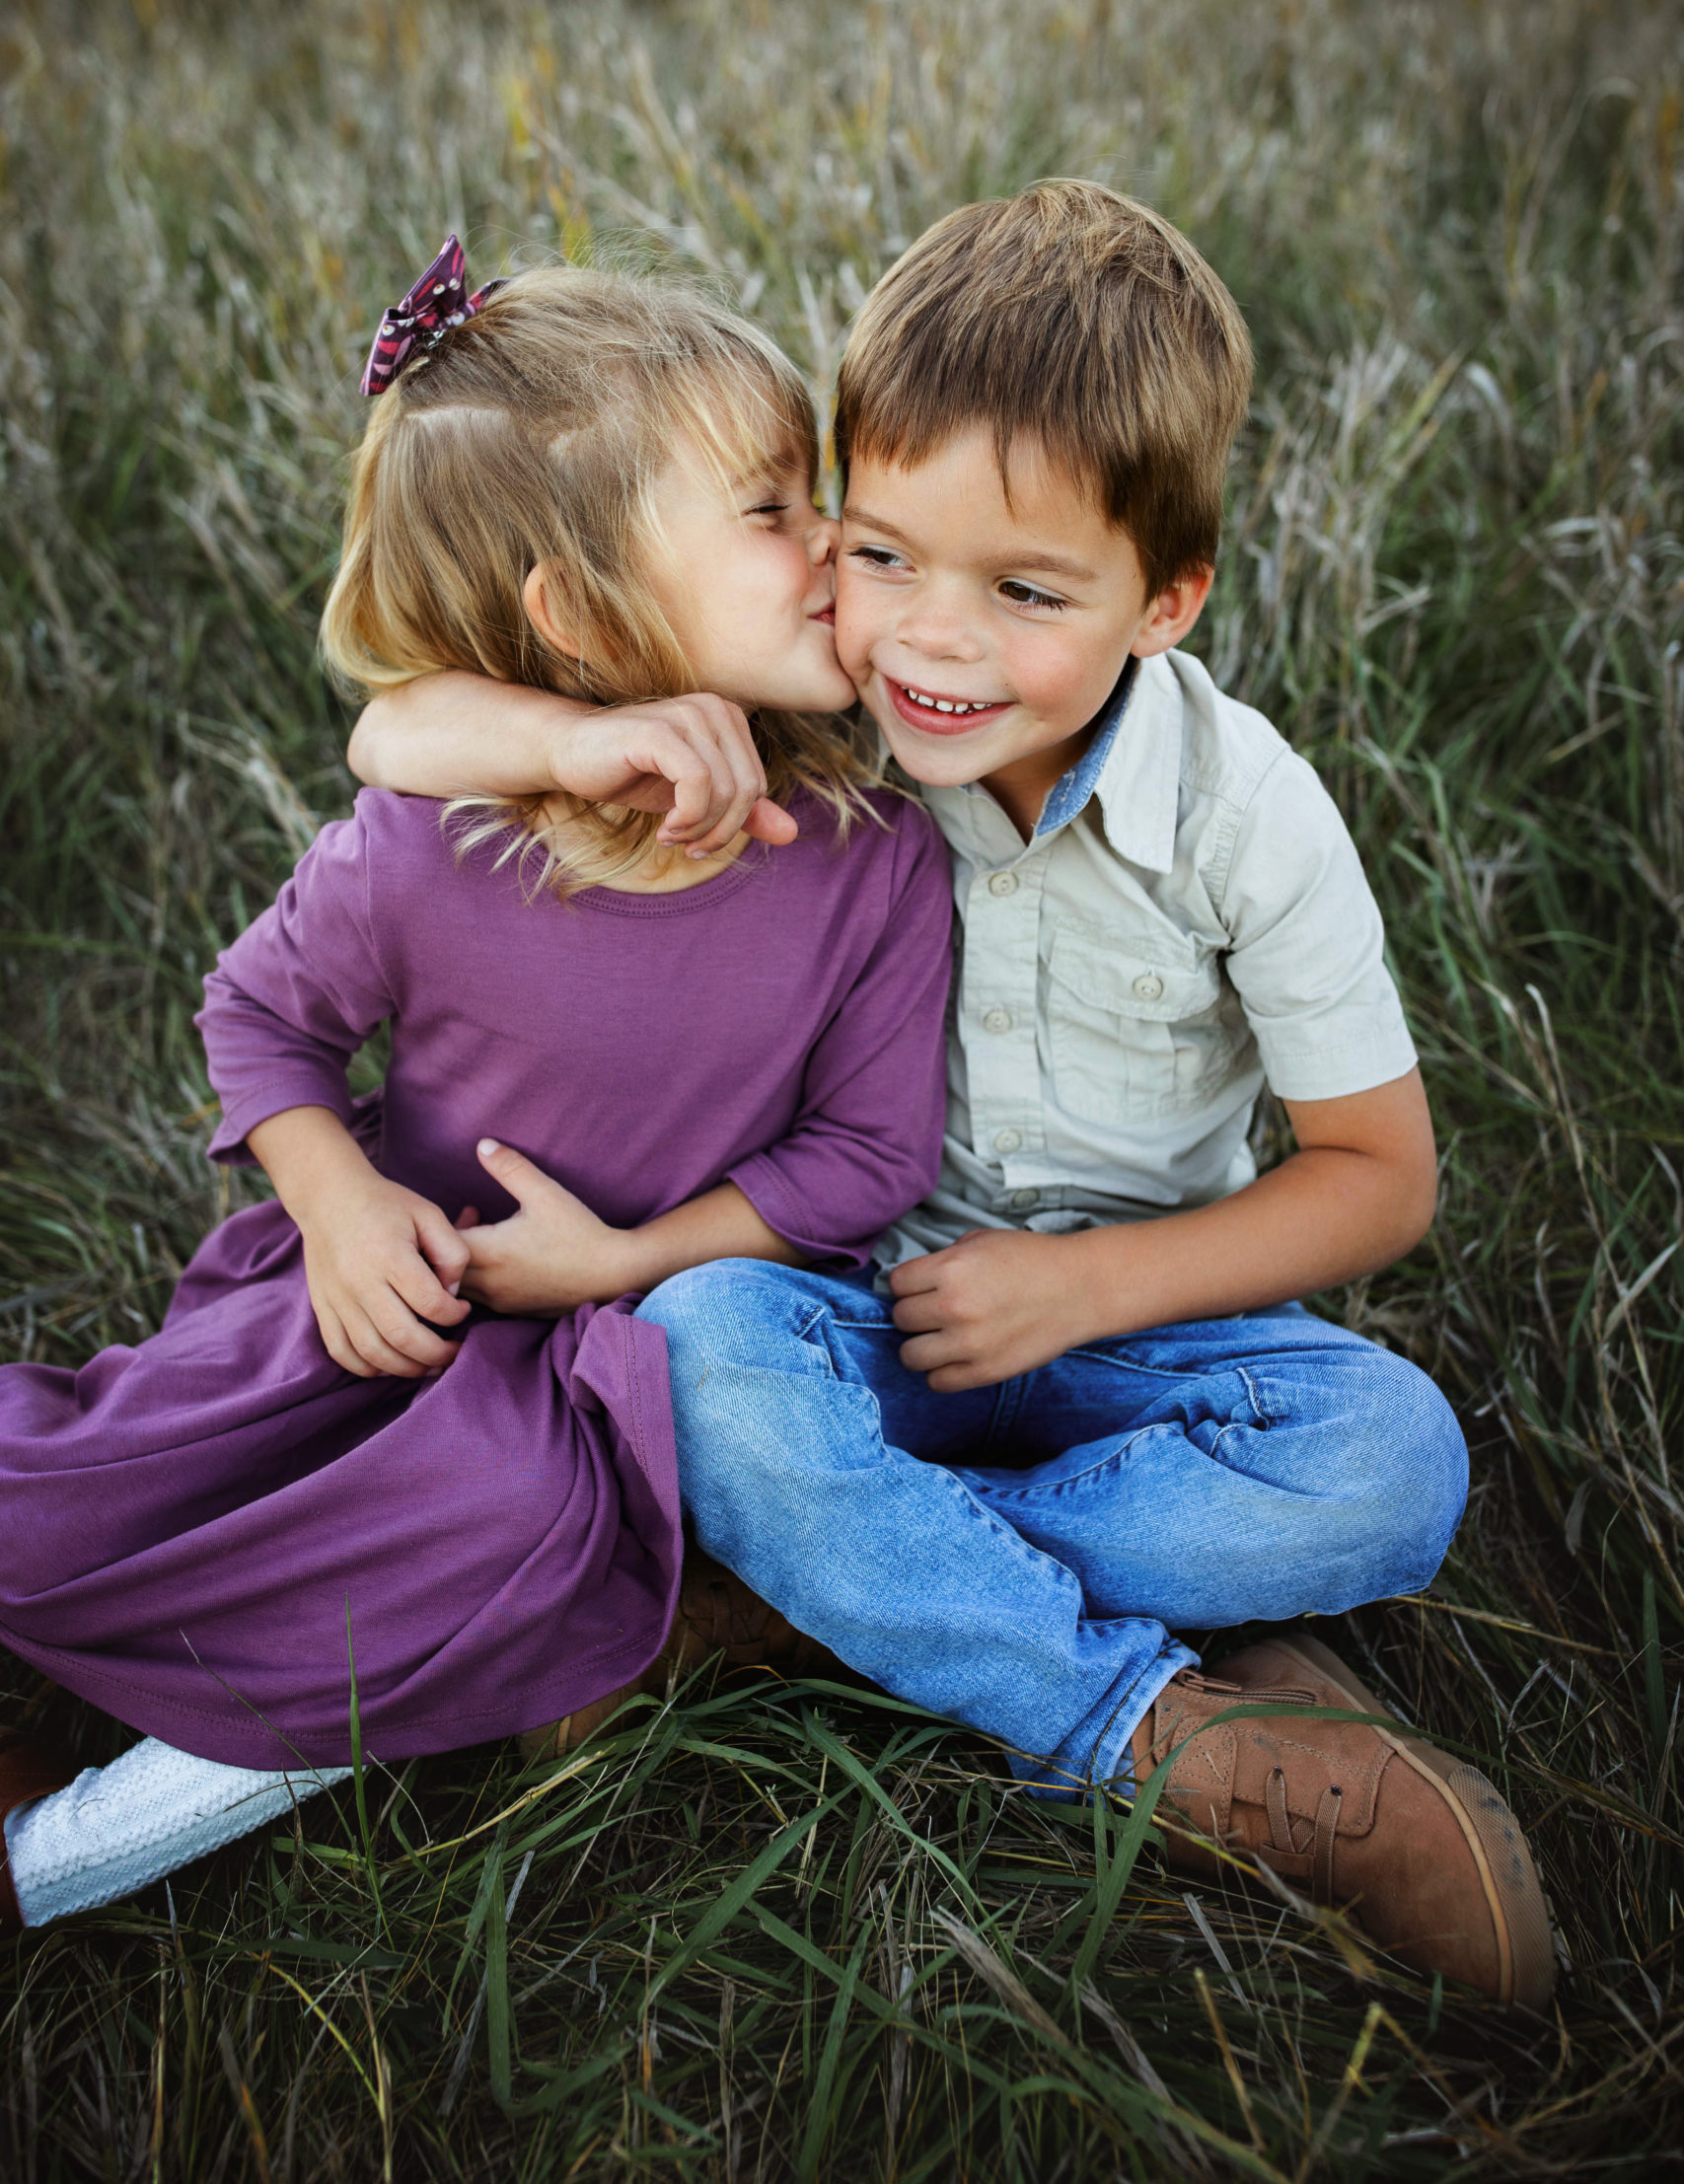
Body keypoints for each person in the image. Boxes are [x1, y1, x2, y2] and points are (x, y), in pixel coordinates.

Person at [345, 185, 1557, 2011]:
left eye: (1027, 591)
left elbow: (1381, 1180)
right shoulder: (840, 727)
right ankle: (1164, 1726)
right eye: (883, 550)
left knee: (1398, 1462)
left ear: (1168, 598)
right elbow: (392, 732)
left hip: (1155, 1339)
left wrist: (1088, 1292)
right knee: (699, 1355)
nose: (932, 638)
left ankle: (798, 1606)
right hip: (857, 1318)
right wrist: (569, 740)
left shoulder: (1246, 818)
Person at [0, 246, 952, 1932]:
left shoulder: (872, 865)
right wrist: (337, 1200)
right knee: (68, 1489)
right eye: (769, 507)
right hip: (380, 1301)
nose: (836, 542)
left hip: (592, 1372)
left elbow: (865, 1156)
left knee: (487, 1534)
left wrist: (621, 1265)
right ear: (580, 622)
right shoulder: (433, 851)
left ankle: (49, 1859)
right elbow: (259, 1021)